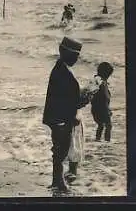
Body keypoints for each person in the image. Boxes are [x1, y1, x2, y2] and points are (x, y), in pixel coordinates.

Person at [43, 37, 89, 192]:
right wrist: (83, 99)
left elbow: (66, 96)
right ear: (64, 53)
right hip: (60, 117)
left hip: (59, 116)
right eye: (75, 56)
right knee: (61, 150)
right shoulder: (62, 72)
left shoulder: (60, 68)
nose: (76, 59)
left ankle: (57, 180)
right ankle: (58, 181)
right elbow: (66, 99)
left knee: (60, 149)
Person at [83, 62, 114, 142]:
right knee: (108, 125)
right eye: (108, 74)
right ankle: (107, 141)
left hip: (99, 108)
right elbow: (91, 90)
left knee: (101, 125)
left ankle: (98, 140)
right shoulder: (99, 80)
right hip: (101, 108)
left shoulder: (101, 81)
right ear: (105, 73)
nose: (108, 77)